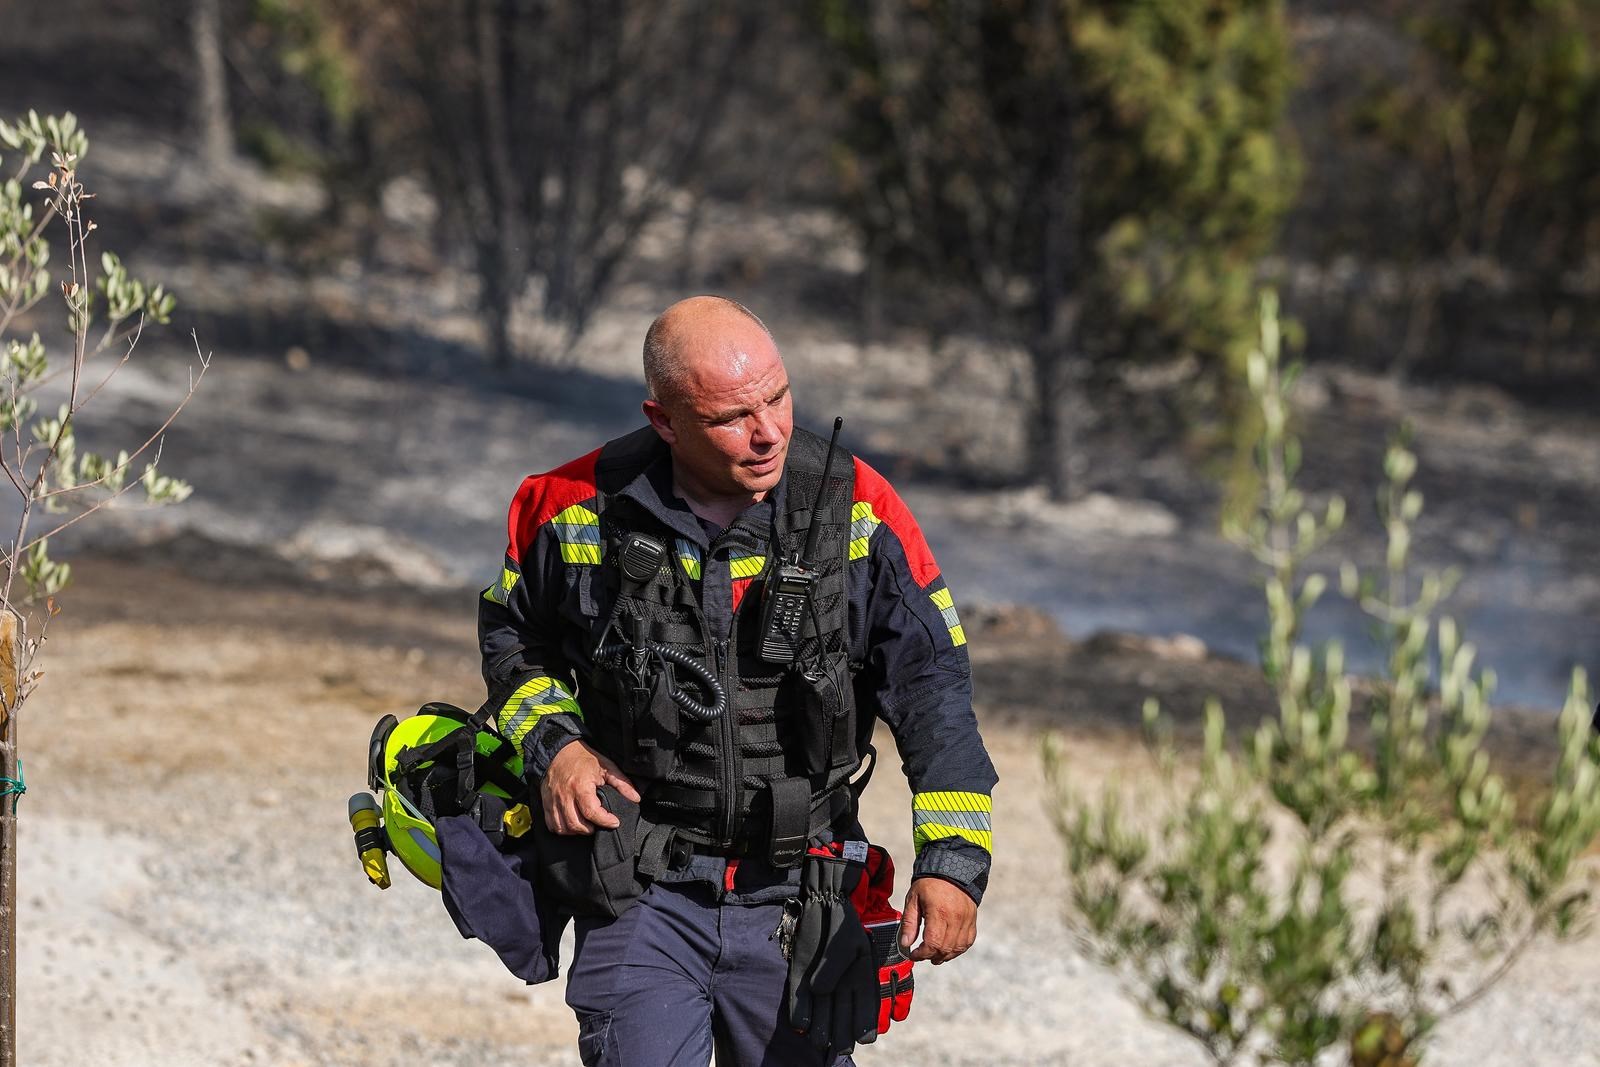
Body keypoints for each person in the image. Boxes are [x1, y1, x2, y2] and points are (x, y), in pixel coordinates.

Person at [478, 296, 996, 1067]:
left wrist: (953, 862)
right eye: (731, 417)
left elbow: (934, 690)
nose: (769, 432)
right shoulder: (568, 506)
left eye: (778, 398)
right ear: (664, 421)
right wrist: (558, 748)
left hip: (803, 892)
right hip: (643, 887)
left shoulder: (857, 506)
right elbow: (515, 640)